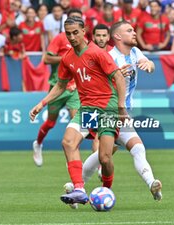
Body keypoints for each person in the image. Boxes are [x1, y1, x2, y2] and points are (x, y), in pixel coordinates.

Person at [29, 16, 127, 205]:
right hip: (88, 109)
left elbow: (119, 78)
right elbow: (60, 85)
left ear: (84, 31)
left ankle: (106, 192)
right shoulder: (67, 58)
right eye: (68, 34)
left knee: (104, 158)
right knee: (68, 142)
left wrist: (121, 108)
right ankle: (79, 189)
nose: (72, 37)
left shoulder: (97, 53)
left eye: (75, 32)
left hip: (107, 107)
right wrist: (41, 104)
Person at [82, 21, 163, 201]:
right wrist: (116, 74)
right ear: (117, 36)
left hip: (122, 113)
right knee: (129, 149)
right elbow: (97, 83)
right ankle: (151, 182)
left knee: (106, 153)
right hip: (108, 111)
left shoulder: (134, 52)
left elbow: (146, 62)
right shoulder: (109, 57)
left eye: (134, 29)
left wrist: (149, 64)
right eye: (129, 30)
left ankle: (76, 185)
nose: (134, 33)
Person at [32, 9, 84, 167]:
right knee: (50, 123)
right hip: (58, 85)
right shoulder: (60, 38)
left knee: (77, 123)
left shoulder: (85, 41)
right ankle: (38, 144)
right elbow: (46, 58)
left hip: (74, 89)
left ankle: (76, 160)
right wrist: (66, 59)